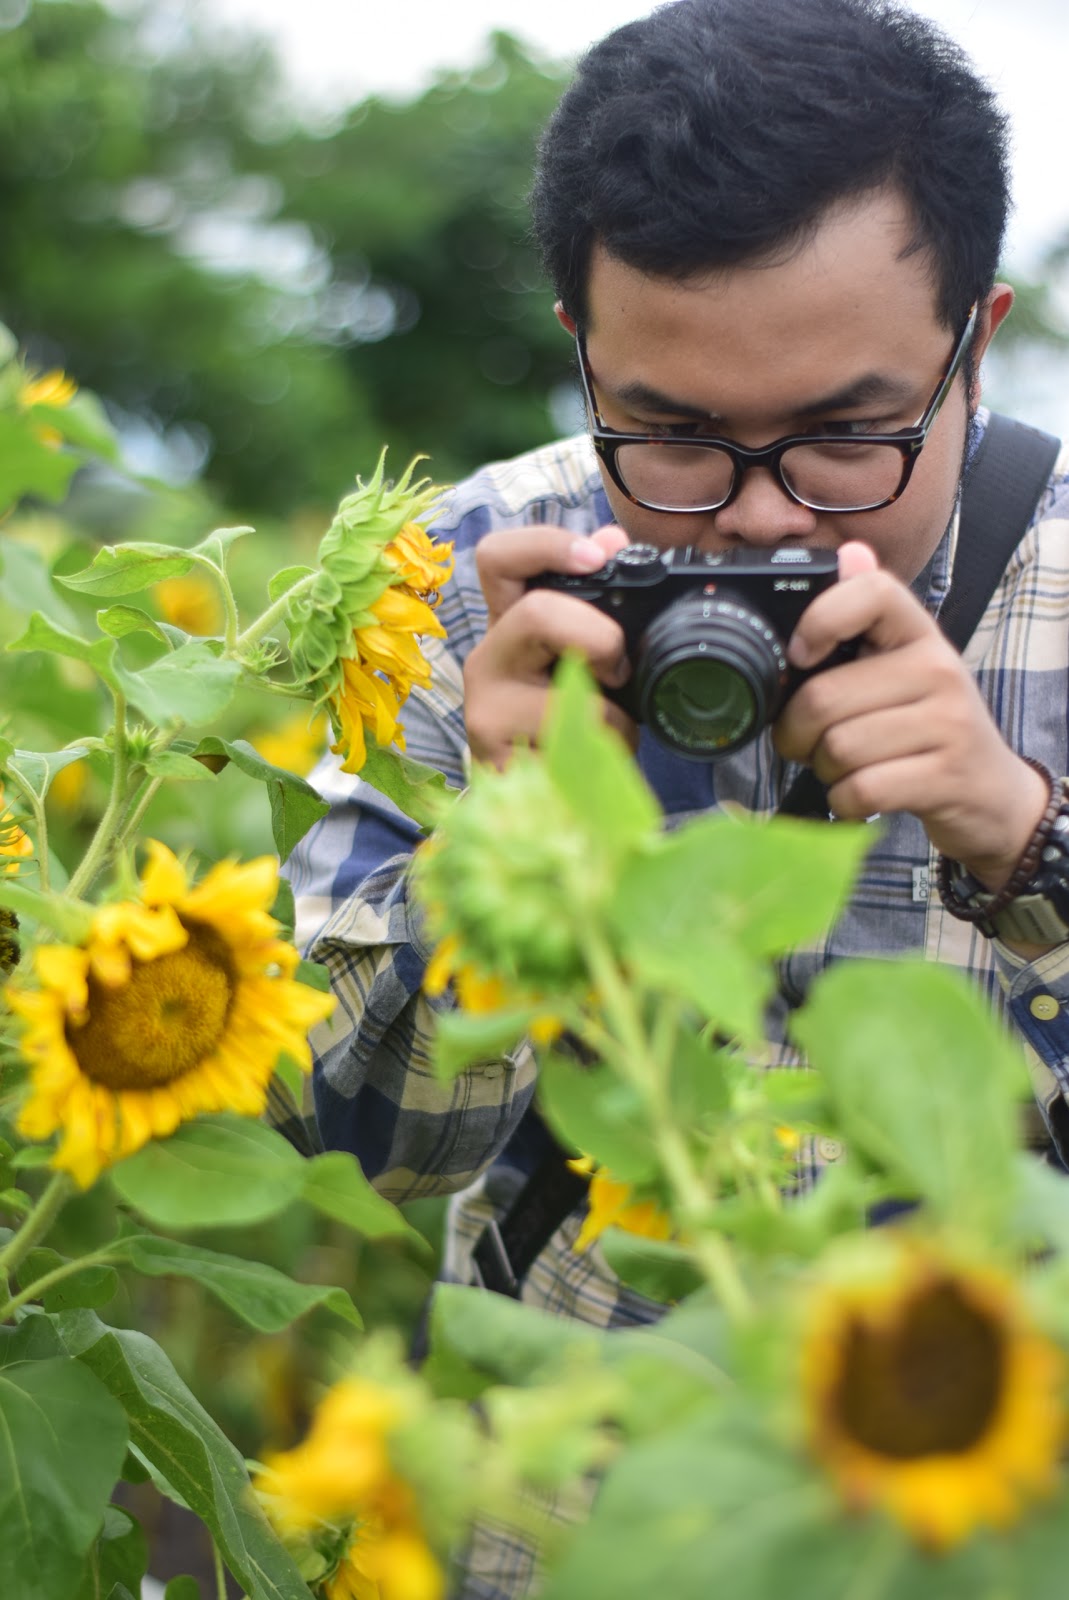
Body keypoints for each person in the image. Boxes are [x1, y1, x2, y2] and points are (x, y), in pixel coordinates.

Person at [285, 0, 1069, 1591]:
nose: (760, 524)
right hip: (582, 1524)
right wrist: (493, 849)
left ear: (972, 337)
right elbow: (347, 1152)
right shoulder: (462, 576)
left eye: (847, 436)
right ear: (582, 342)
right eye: (669, 437)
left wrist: (1026, 838)